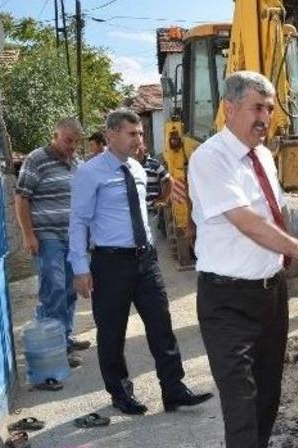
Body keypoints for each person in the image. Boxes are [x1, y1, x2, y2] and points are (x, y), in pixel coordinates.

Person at [188, 71, 298, 448]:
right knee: (241, 405)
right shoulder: (210, 159)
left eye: (270, 109)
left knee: (267, 395)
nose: (265, 117)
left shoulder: (262, 155)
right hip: (227, 301)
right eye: (256, 108)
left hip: (271, 295)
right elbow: (248, 222)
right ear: (229, 109)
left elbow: (275, 213)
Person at [68, 109, 212, 415]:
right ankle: (120, 393)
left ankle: (174, 389)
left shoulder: (137, 168)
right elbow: (78, 221)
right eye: (132, 134)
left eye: (141, 134)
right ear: (112, 135)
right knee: (112, 331)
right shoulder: (90, 173)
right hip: (110, 263)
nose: (139, 139)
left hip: (145, 259)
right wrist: (79, 268)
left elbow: (144, 208)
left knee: (161, 325)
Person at [14, 118, 90, 372]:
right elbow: (21, 198)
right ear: (55, 135)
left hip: (73, 238)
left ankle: (64, 336)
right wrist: (28, 235)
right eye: (68, 141)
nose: (73, 146)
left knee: (70, 289)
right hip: (48, 236)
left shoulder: (77, 163)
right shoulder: (36, 159)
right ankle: (54, 349)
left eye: (76, 142)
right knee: (54, 289)